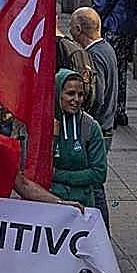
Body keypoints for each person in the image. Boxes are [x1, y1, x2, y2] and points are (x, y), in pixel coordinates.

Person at [51, 70, 108, 225]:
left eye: (80, 94)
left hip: (83, 205)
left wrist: (58, 175)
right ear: (57, 94)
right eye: (70, 93)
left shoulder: (90, 127)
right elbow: (37, 170)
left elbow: (99, 174)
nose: (76, 100)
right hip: (51, 207)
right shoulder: (44, 125)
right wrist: (53, 138)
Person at [93, 0, 137, 127]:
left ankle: (107, 110)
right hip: (128, 29)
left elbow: (100, 7)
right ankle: (121, 110)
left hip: (111, 28)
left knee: (105, 69)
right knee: (121, 69)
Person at [68, 7, 118, 148]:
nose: (70, 31)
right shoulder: (107, 48)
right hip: (106, 125)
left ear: (78, 29)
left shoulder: (93, 55)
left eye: (71, 27)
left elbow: (97, 96)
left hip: (98, 128)